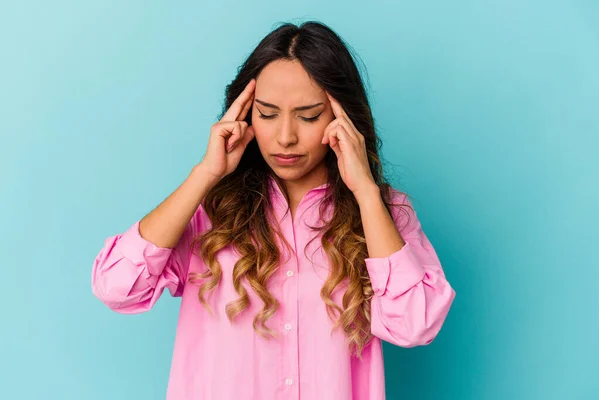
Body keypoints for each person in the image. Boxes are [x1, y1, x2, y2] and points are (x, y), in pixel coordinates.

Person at [91, 20, 456, 400]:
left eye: (309, 115)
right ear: (245, 114)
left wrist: (364, 191)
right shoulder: (208, 210)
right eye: (267, 114)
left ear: (341, 117)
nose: (285, 137)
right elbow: (116, 287)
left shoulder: (384, 213)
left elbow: (416, 323)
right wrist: (204, 175)